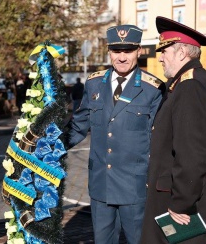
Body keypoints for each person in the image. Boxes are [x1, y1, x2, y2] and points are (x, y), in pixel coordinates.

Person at [68, 24, 164, 243]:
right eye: (116, 51)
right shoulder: (94, 84)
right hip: (101, 185)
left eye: (128, 51)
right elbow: (79, 124)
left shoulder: (153, 89)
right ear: (109, 51)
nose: (121, 57)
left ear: (139, 51)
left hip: (134, 187)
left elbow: (159, 140)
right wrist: (48, 146)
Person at [140, 16, 206, 244]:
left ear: (180, 53)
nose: (160, 58)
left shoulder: (190, 87)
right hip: (185, 195)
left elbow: (193, 152)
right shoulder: (192, 81)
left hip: (182, 204)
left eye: (164, 51)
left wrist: (181, 202)